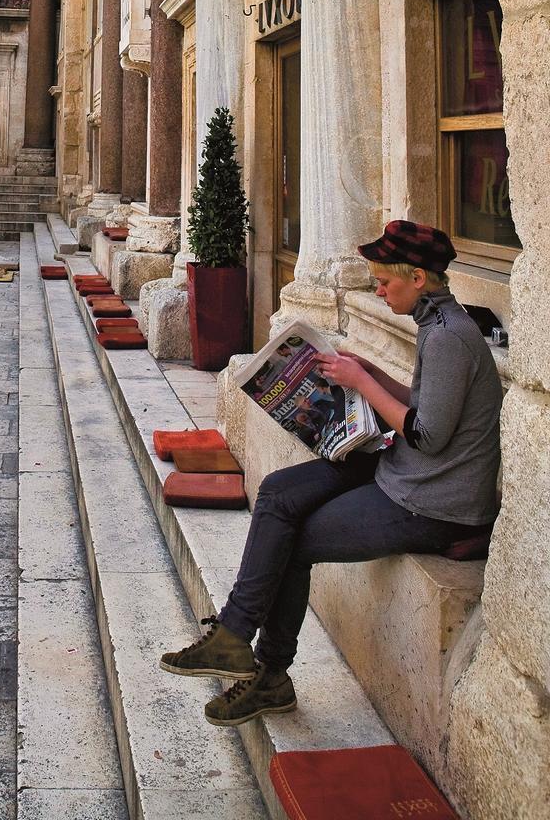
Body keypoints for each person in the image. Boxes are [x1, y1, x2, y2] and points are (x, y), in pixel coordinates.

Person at [159, 220, 502, 727]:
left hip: (432, 501)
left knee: (292, 542)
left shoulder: (451, 337)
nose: (379, 291)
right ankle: (233, 635)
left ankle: (269, 672)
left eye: (385, 282)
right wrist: (371, 373)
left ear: (418, 279)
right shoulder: (438, 325)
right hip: (407, 472)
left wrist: (361, 379)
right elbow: (425, 406)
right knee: (278, 492)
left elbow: (427, 434)